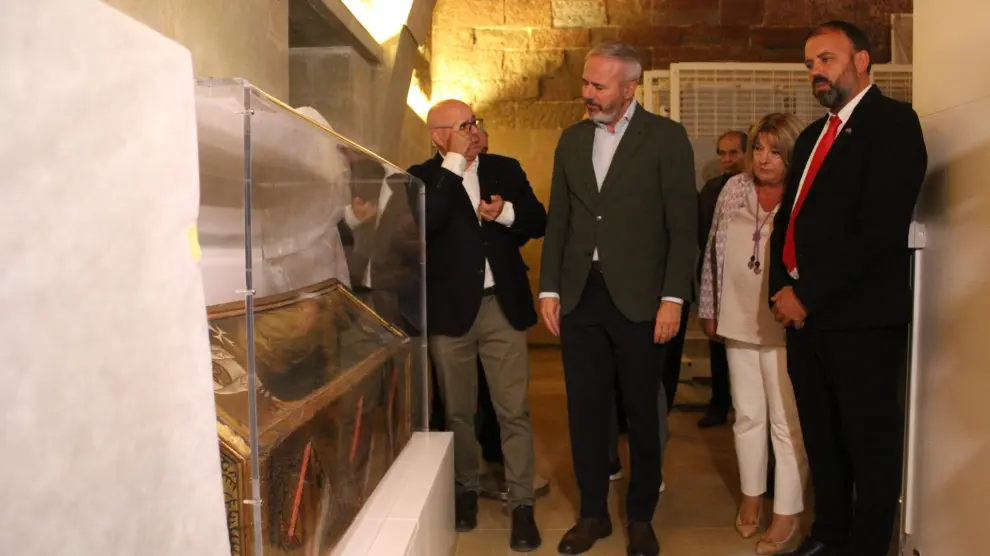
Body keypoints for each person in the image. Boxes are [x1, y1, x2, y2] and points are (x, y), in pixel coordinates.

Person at [768, 21, 928, 556]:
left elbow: (878, 230)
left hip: (861, 320)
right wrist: (780, 290)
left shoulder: (894, 124)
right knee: (823, 439)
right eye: (810, 63)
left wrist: (807, 293)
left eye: (827, 60)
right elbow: (788, 221)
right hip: (805, 320)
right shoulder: (814, 135)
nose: (816, 71)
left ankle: (864, 546)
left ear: (862, 60)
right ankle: (828, 533)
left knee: (868, 446)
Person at [539, 42, 697, 556]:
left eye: (598, 85)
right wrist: (550, 286)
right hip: (582, 297)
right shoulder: (570, 141)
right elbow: (559, 219)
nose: (586, 93)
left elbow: (682, 227)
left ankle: (641, 516)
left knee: (642, 413)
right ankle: (592, 515)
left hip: (642, 300)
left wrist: (673, 298)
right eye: (585, 82)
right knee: (585, 409)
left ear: (630, 88)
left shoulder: (666, 139)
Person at [409, 99, 547, 552]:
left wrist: (505, 212)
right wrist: (452, 162)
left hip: (500, 307)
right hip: (450, 314)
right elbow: (425, 225)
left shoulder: (504, 167)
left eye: (475, 123)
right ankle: (465, 491)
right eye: (463, 125)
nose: (474, 131)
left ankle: (522, 502)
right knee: (457, 411)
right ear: (438, 135)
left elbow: (537, 221)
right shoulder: (421, 177)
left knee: (514, 409)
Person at [700, 114, 809, 555]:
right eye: (758, 148)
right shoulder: (734, 188)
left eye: (774, 150)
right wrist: (709, 307)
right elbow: (712, 249)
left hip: (784, 323)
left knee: (786, 422)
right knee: (746, 416)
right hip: (738, 317)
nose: (762, 159)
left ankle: (787, 512)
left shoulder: (805, 192)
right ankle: (751, 497)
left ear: (791, 153)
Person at [696, 130, 747, 428]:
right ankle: (719, 403)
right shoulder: (711, 189)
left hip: (748, 278)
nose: (727, 159)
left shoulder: (756, 186)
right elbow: (705, 236)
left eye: (734, 153)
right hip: (717, 277)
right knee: (717, 343)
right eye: (723, 153)